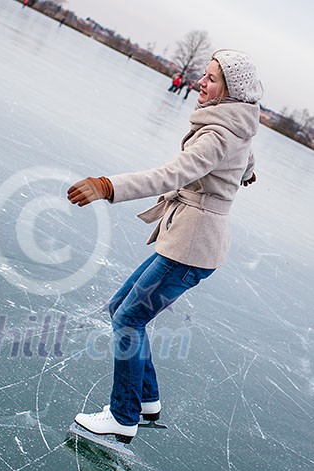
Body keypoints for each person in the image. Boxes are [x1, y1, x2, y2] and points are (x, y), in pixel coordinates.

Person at [67, 50, 263, 444]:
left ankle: (123, 416)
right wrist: (245, 171)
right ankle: (146, 400)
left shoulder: (219, 133)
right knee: (119, 310)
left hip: (192, 245)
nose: (201, 83)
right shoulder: (238, 122)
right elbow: (243, 158)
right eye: (203, 75)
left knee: (128, 321)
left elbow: (173, 173)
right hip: (189, 240)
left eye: (211, 79)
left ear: (231, 91)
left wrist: (110, 186)